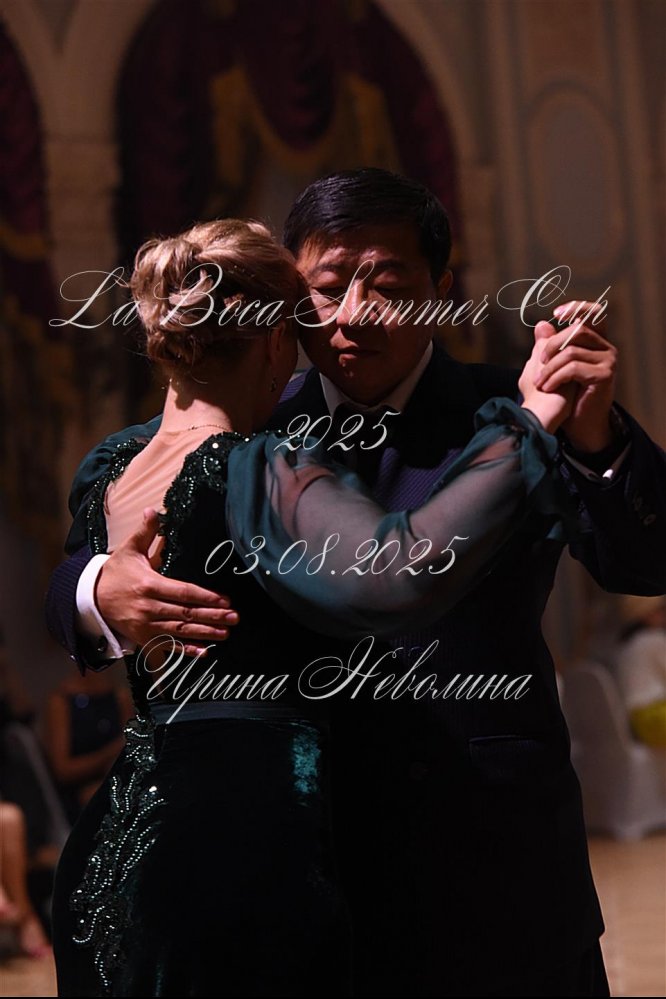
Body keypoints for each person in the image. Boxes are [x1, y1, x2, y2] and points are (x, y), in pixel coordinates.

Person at [45, 170, 666, 997]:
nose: (353, 313)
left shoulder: (515, 407)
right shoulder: (245, 420)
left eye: (389, 286)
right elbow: (81, 564)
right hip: (300, 871)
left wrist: (596, 441)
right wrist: (95, 590)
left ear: (441, 290)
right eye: (328, 287)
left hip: (493, 858)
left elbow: (646, 563)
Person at [44, 668, 133, 824]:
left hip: (119, 779)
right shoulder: (62, 702)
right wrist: (109, 753)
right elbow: (63, 770)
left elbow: (133, 748)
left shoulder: (120, 696)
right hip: (79, 793)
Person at [614, 595, 666, 747]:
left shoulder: (625, 645)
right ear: (647, 614)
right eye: (660, 610)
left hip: (635, 719)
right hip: (655, 714)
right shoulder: (653, 639)